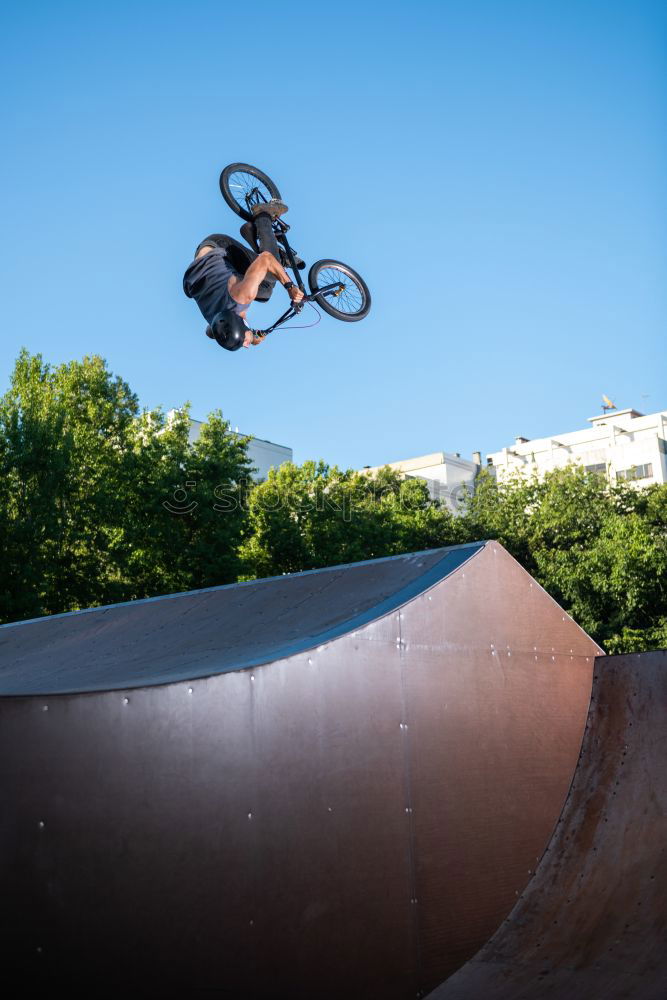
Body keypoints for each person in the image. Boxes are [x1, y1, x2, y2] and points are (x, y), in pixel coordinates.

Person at [183, 201, 304, 350]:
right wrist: (251, 336)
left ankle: (263, 215)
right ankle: (251, 233)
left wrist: (290, 287)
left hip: (219, 246)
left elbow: (266, 258)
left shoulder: (241, 296)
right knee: (264, 293)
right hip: (203, 269)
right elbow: (210, 332)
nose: (247, 345)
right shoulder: (217, 322)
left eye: (244, 343)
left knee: (271, 275)